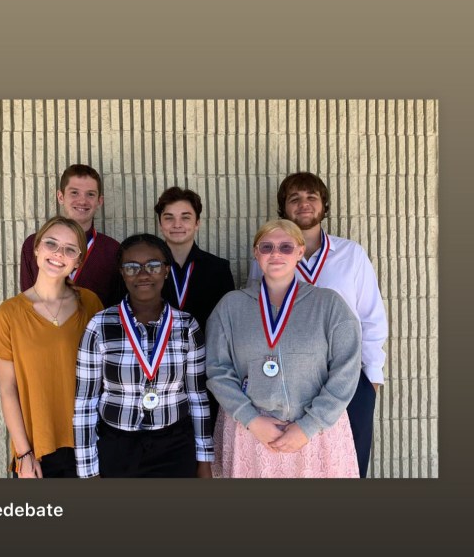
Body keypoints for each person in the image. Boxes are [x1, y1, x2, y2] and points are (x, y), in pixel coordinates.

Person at [247, 172, 388, 477]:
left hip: (349, 380)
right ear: (283, 208)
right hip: (289, 381)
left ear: (324, 205)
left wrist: (372, 379)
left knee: (346, 464)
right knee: (296, 464)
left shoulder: (351, 255)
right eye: (294, 198)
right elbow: (256, 318)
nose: (304, 204)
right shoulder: (268, 255)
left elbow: (371, 317)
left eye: (312, 197)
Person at [207, 219, 361, 478]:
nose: (275, 254)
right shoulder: (231, 306)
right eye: (266, 247)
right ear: (256, 254)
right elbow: (217, 369)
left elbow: (347, 369)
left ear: (300, 252)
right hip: (251, 432)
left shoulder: (329, 304)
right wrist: (252, 420)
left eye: (285, 247)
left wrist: (309, 427)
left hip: (315, 433)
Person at [74, 233, 214, 478]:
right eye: (131, 267)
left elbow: (197, 396)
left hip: (175, 446)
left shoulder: (187, 326)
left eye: (153, 265)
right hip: (117, 447)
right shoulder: (100, 325)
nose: (143, 274)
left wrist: (204, 459)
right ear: (121, 272)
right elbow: (85, 402)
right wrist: (88, 470)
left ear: (166, 270)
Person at [0, 216, 103, 477]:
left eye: (70, 249)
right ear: (37, 249)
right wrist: (24, 453)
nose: (58, 254)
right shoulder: (9, 313)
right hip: (38, 450)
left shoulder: (91, 303)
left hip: (89, 444)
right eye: (51, 244)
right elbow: (8, 389)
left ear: (78, 261)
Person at [20, 164, 121, 306]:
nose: (82, 200)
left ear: (100, 201)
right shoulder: (35, 243)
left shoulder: (112, 249)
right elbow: (27, 300)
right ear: (61, 197)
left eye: (90, 194)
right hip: (44, 326)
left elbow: (115, 306)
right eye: (74, 192)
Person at [154, 186, 235, 333]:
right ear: (160, 224)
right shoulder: (146, 268)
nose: (177, 225)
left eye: (185, 217)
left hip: (206, 353)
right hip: (157, 353)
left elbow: (227, 323)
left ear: (197, 223)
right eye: (169, 218)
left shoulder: (218, 269)